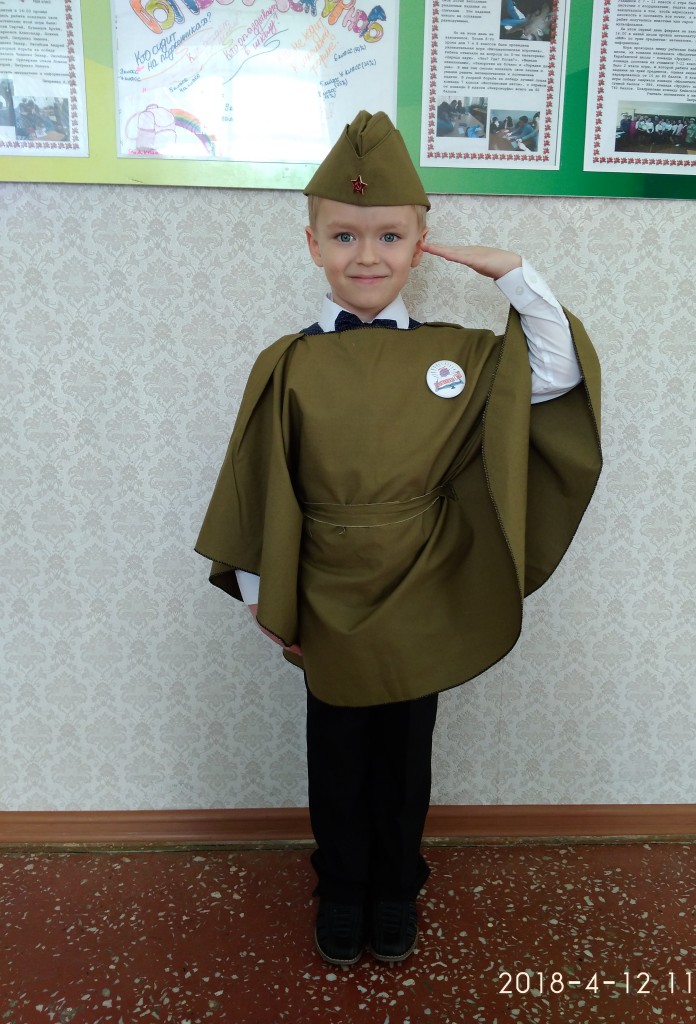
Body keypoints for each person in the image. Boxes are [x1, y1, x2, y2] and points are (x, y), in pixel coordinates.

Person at [195, 111, 601, 968]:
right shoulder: (287, 362)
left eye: (389, 236)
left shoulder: (462, 356)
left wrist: (515, 274)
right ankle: (342, 888)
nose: (367, 256)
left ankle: (395, 887)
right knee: (337, 753)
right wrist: (266, 595)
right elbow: (258, 480)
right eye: (345, 236)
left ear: (420, 245)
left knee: (407, 754)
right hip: (326, 591)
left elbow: (557, 377)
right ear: (313, 244)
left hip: (423, 588)